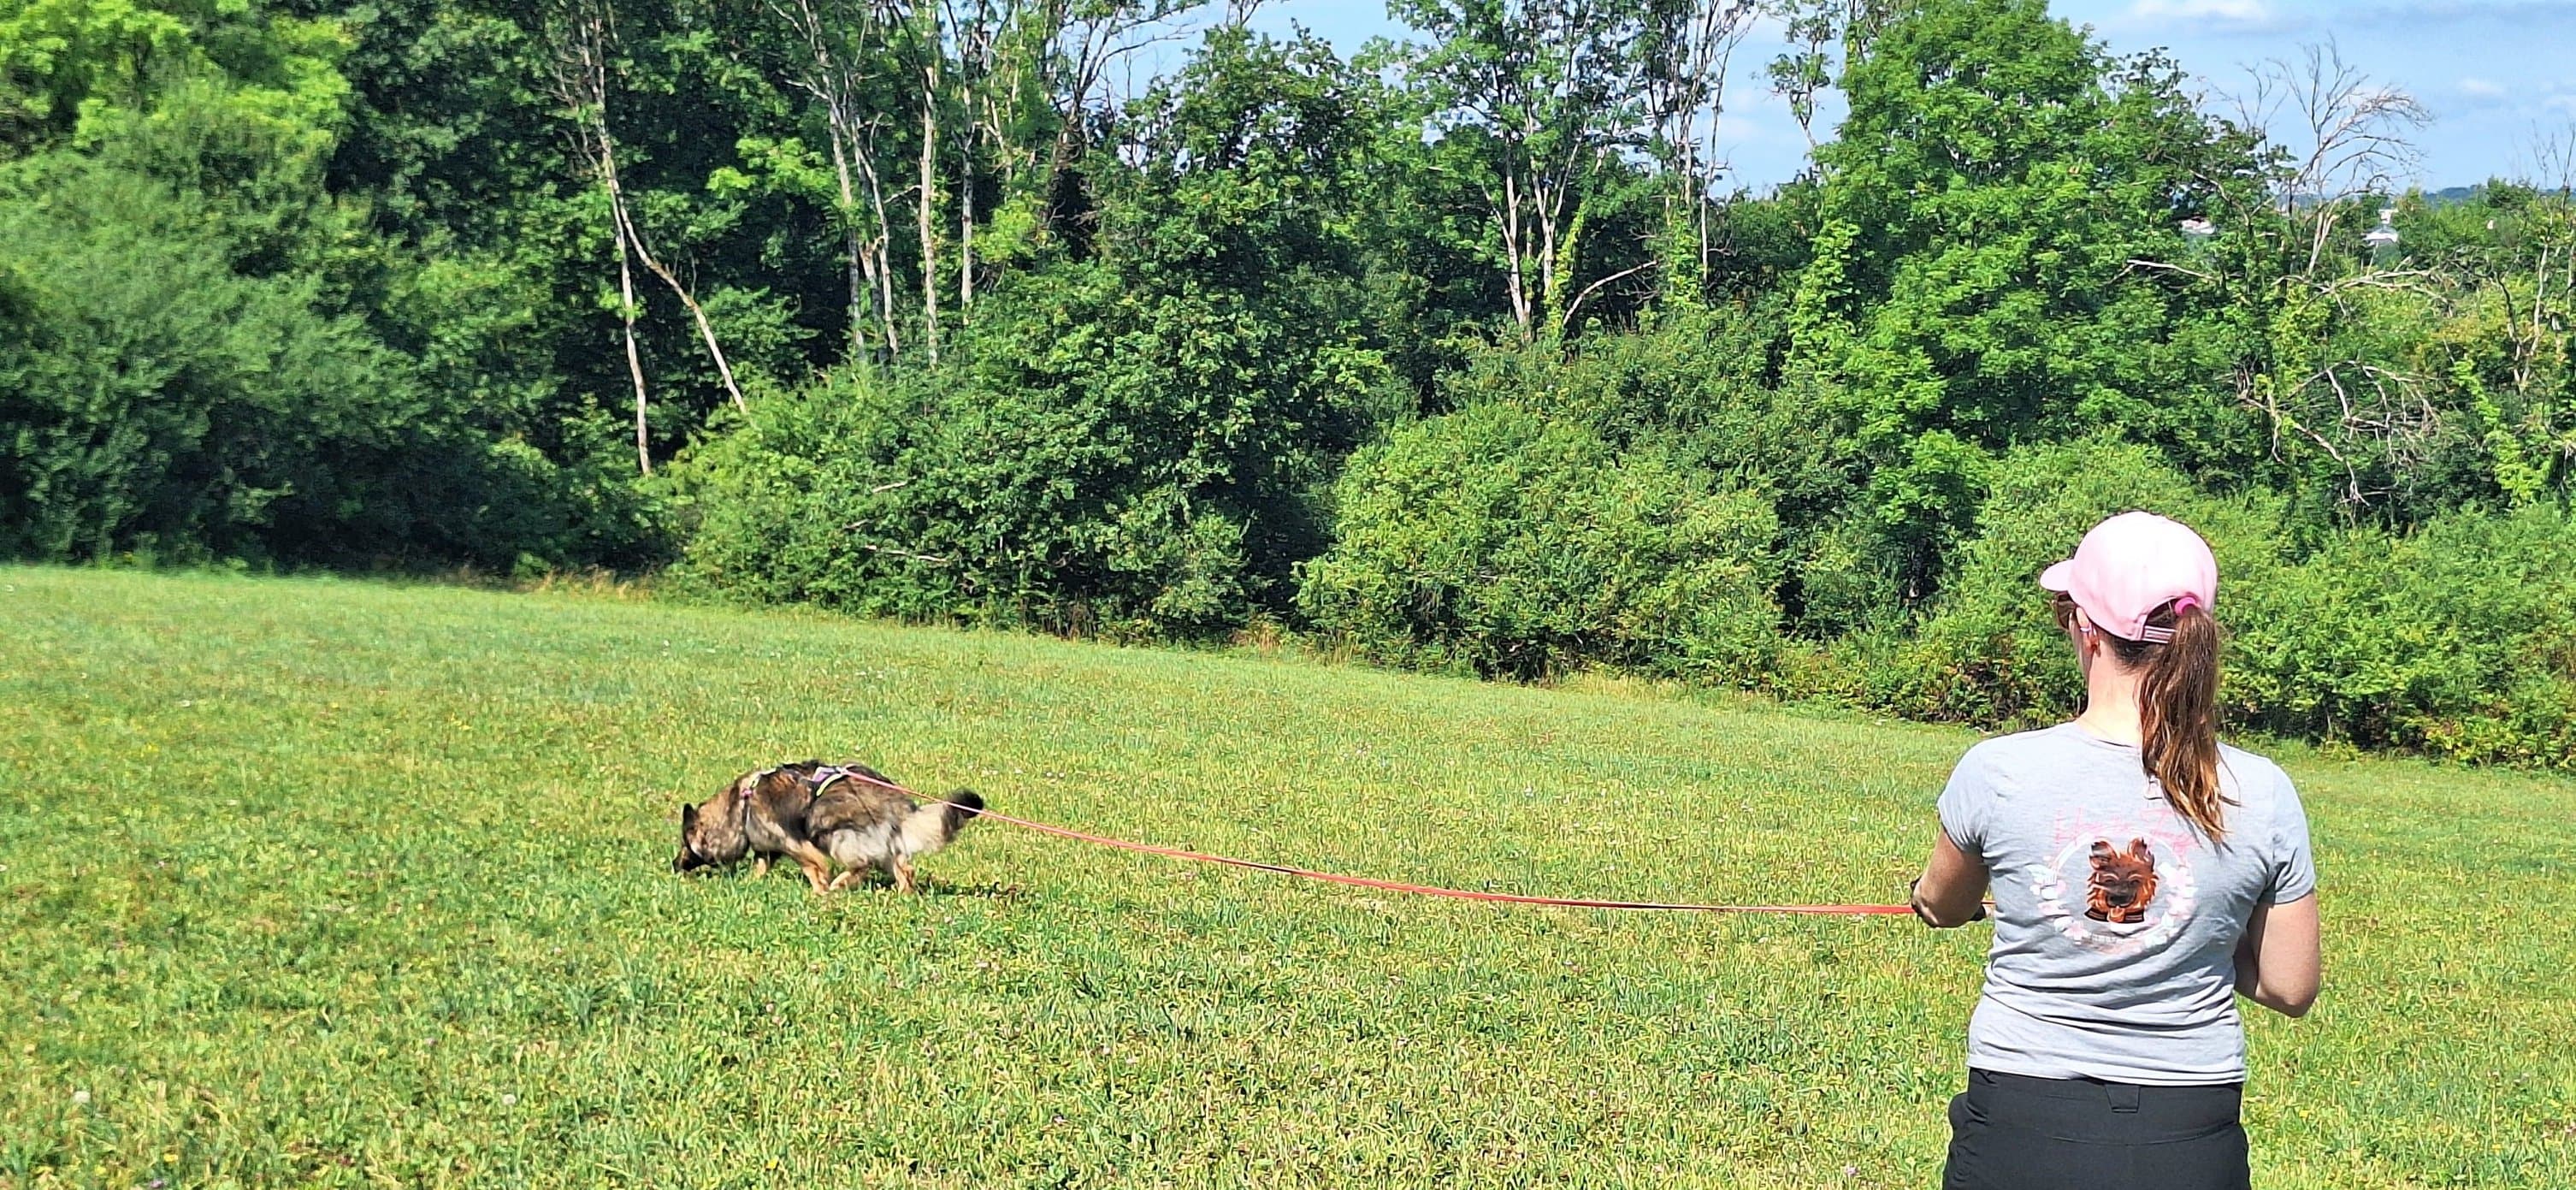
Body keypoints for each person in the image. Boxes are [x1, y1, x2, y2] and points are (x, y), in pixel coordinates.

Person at [1908, 511, 2321, 1190]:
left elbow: (1943, 902)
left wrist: (1928, 900)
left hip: (2021, 1118)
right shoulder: (2262, 791)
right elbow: (2290, 985)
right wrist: (2198, 938)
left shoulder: (1999, 770)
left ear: (2085, 627)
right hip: (2190, 1131)